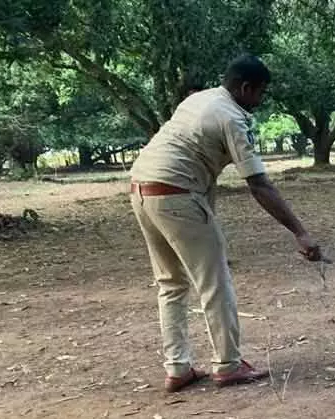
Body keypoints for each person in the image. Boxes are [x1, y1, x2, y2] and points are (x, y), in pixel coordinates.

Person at [130, 54, 323, 393]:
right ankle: (228, 365)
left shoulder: (199, 99)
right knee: (214, 283)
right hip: (177, 195)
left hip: (142, 191)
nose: (260, 101)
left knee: (171, 284)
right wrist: (300, 232)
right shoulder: (233, 117)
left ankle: (178, 368)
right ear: (246, 87)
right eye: (260, 92)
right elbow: (259, 184)